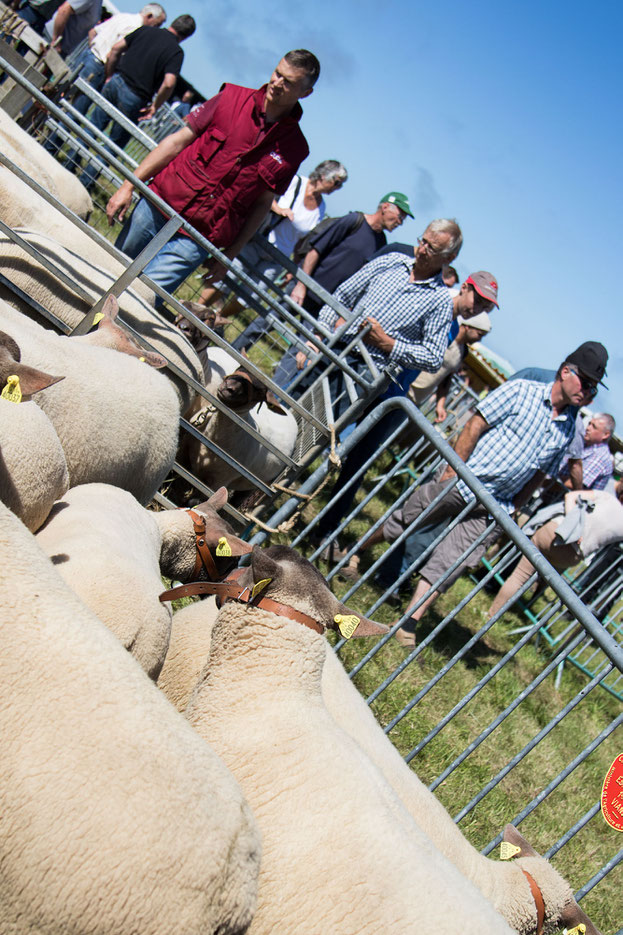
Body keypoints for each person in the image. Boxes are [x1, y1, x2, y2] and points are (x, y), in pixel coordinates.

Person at [364, 340, 608, 647]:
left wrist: (515, 509)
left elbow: (539, 474)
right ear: (565, 371)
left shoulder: (568, 429)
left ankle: (408, 623)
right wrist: (455, 467)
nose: (587, 393)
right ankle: (355, 554)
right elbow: (477, 421)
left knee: (453, 562)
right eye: (585, 383)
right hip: (466, 480)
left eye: (593, 389)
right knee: (407, 518)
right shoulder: (523, 391)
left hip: (498, 506)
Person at [105, 49, 319, 302]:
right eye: (277, 73)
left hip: (200, 237)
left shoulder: (295, 148)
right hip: (158, 204)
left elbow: (262, 203)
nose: (277, 83)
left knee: (144, 300)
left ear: (305, 93)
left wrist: (229, 254)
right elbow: (176, 142)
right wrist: (128, 186)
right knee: (109, 272)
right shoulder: (230, 97)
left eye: (289, 82)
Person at [215, 159, 348, 350]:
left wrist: (295, 265)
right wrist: (279, 209)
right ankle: (198, 311)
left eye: (340, 185)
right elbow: (266, 197)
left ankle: (217, 318)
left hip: (278, 259)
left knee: (250, 296)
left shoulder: (322, 207)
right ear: (324, 175)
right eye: (336, 182)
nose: (337, 187)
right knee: (224, 278)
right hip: (259, 239)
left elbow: (304, 239)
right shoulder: (295, 182)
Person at [78, 14, 196, 190]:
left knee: (91, 127)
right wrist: (155, 106)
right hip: (135, 97)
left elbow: (117, 48)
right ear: (186, 36)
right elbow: (169, 83)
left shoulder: (147, 30)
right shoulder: (176, 52)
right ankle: (83, 183)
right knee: (112, 145)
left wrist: (110, 76)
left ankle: (68, 165)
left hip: (117, 81)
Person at [44, 3, 167, 163]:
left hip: (88, 57)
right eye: (157, 24)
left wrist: (94, 51)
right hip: (100, 66)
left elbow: (93, 32)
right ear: (149, 16)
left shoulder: (123, 17)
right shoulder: (136, 28)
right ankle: (49, 150)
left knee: (66, 101)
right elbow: (114, 52)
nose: (156, 29)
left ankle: (47, 141)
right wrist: (109, 75)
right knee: (75, 112)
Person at [488, 481, 623, 618]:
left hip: (554, 532)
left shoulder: (606, 497)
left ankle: (492, 615)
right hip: (572, 555)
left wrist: (572, 525)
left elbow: (570, 496)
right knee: (549, 576)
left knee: (519, 576)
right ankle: (532, 599)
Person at [288, 191, 413, 317]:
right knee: (270, 321)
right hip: (306, 290)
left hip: (327, 306)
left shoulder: (381, 243)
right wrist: (301, 285)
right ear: (385, 207)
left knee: (301, 337)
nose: (400, 222)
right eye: (400, 216)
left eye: (403, 220)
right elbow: (316, 249)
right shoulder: (355, 221)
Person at [408, 307, 492, 419]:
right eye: (479, 334)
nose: (479, 339)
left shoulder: (463, 352)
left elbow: (446, 377)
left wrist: (440, 404)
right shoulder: (444, 335)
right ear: (468, 327)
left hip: (414, 401)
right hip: (402, 389)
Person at [559, 413, 615, 491]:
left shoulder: (601, 456)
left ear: (605, 435)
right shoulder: (585, 445)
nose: (588, 428)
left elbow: (573, 484)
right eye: (589, 424)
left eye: (594, 427)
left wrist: (547, 481)